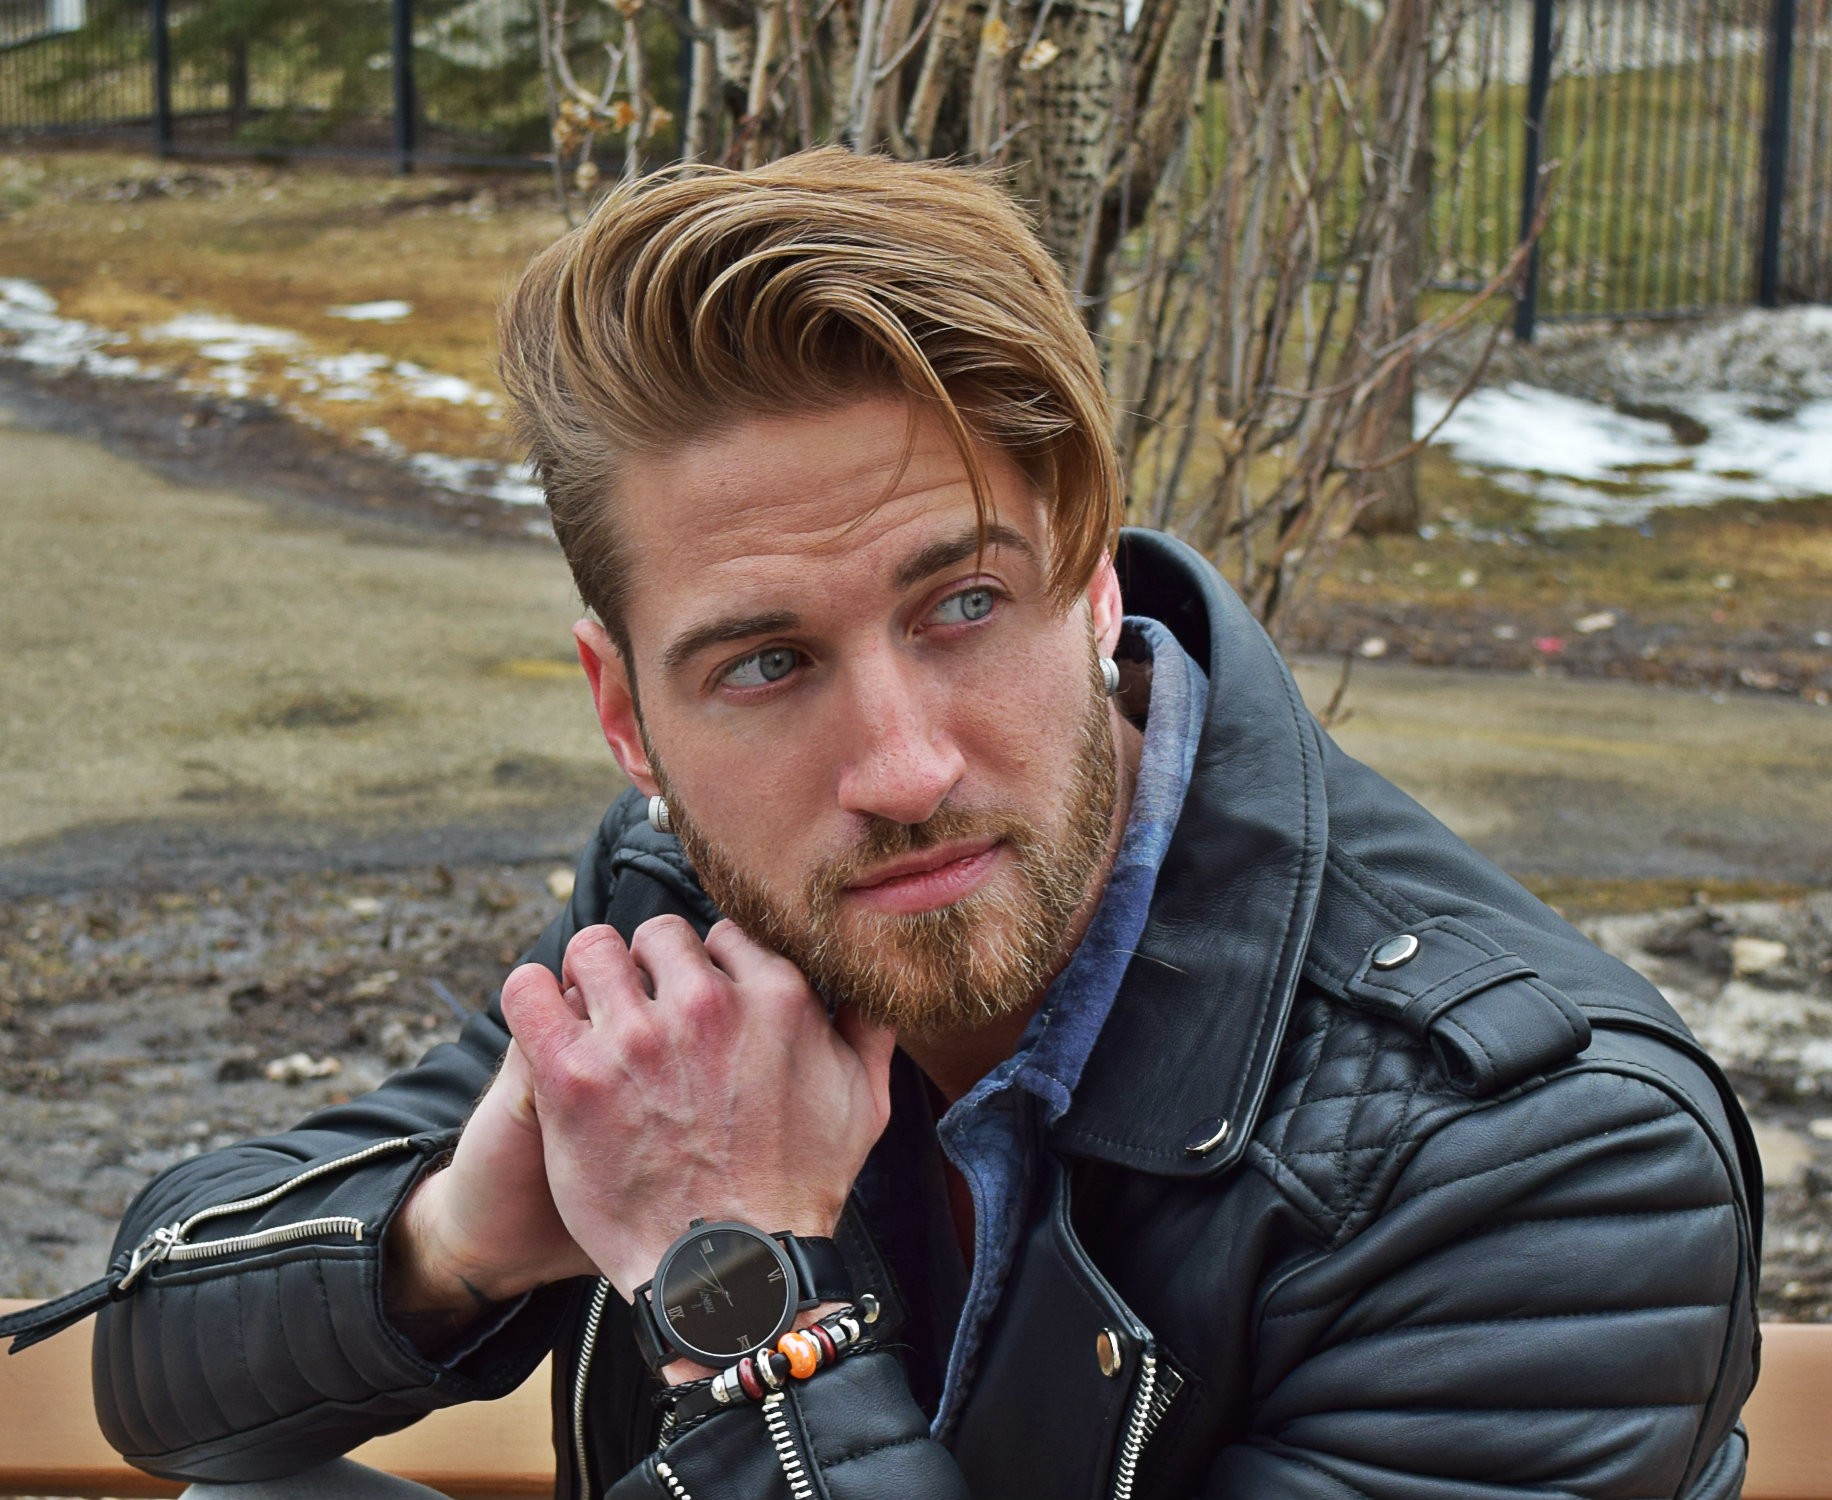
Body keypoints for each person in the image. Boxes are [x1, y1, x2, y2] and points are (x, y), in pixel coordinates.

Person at [8, 149, 1760, 1500]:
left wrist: (742, 1297)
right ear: (628, 717)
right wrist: (449, 1243)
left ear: (1092, 582)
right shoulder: (697, 899)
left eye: (963, 604)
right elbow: (160, 1379)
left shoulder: (1538, 1158)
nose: (903, 769)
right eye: (767, 663)